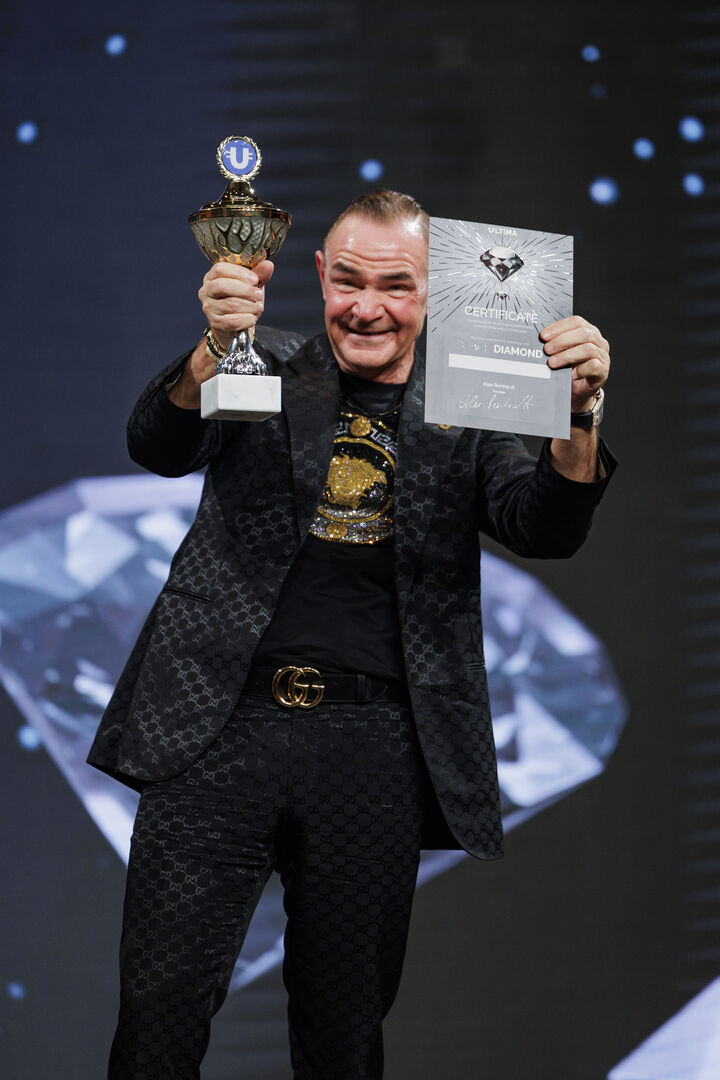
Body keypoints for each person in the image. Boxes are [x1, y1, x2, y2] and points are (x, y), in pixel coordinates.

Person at [88, 189, 614, 1079]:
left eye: (396, 286)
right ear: (321, 275)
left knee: (343, 1036)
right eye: (349, 281)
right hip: (215, 732)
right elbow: (160, 444)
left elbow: (544, 528)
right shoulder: (262, 363)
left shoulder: (469, 402)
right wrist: (213, 345)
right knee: (155, 1014)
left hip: (373, 748)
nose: (367, 307)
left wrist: (580, 415)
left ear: (436, 291)